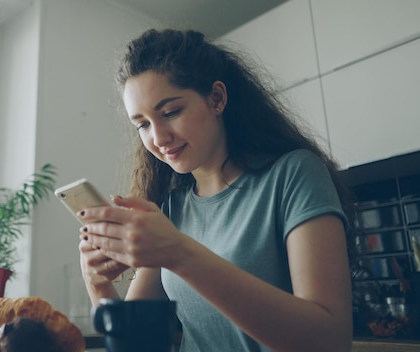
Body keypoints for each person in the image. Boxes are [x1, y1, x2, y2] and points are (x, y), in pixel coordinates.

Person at [77, 28, 354, 352]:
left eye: (170, 112)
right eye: (143, 124)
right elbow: (135, 346)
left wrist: (179, 253)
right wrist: (97, 285)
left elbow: (330, 342)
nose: (159, 137)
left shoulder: (294, 174)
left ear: (217, 98)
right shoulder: (172, 210)